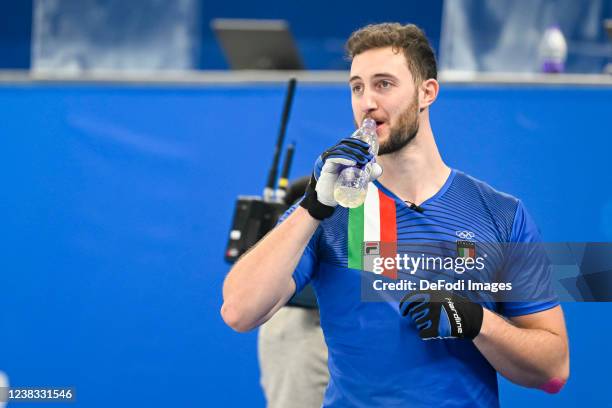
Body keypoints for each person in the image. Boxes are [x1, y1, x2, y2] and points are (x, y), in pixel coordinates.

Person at [222, 22, 569, 407]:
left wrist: (477, 322)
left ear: (427, 92)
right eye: (357, 87)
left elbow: (552, 371)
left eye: (384, 84)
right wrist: (311, 207)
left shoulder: (501, 215)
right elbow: (238, 311)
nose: (367, 101)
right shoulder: (332, 210)